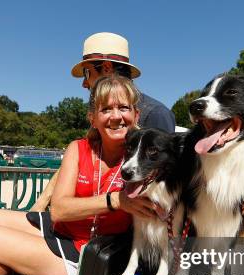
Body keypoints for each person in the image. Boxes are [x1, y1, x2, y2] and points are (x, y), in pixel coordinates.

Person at [0, 75, 157, 275]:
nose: (116, 116)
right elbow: (59, 210)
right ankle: (28, 266)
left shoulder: (145, 158)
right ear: (92, 119)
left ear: (136, 115)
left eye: (123, 108)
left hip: (94, 252)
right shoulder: (78, 148)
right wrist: (116, 200)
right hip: (63, 228)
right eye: (105, 109)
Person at [30, 32, 176, 212]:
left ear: (106, 68)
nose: (84, 83)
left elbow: (164, 182)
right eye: (106, 109)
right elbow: (83, 155)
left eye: (87, 72)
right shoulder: (100, 112)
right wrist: (42, 202)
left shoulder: (156, 113)